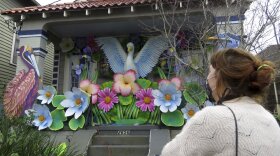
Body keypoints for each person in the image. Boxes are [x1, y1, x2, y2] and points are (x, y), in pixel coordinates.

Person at [161, 48, 280, 156]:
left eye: (210, 73)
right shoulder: (270, 120)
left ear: (218, 79)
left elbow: (169, 154)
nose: (208, 79)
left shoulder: (212, 117)